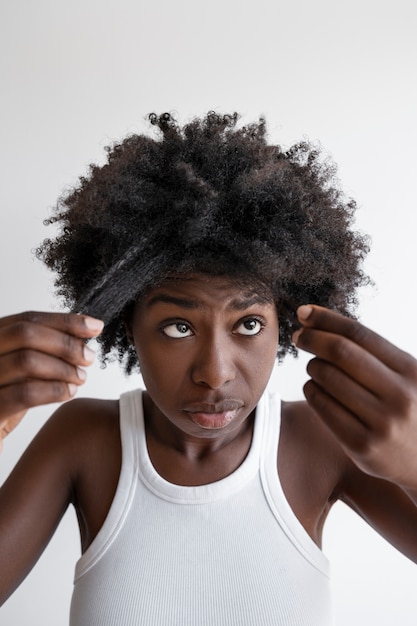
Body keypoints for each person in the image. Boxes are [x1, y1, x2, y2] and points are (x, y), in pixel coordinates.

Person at [0, 112, 416, 625]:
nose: (215, 374)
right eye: (178, 327)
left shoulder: (321, 442)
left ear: (284, 323)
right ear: (129, 326)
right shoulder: (83, 439)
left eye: (246, 325)